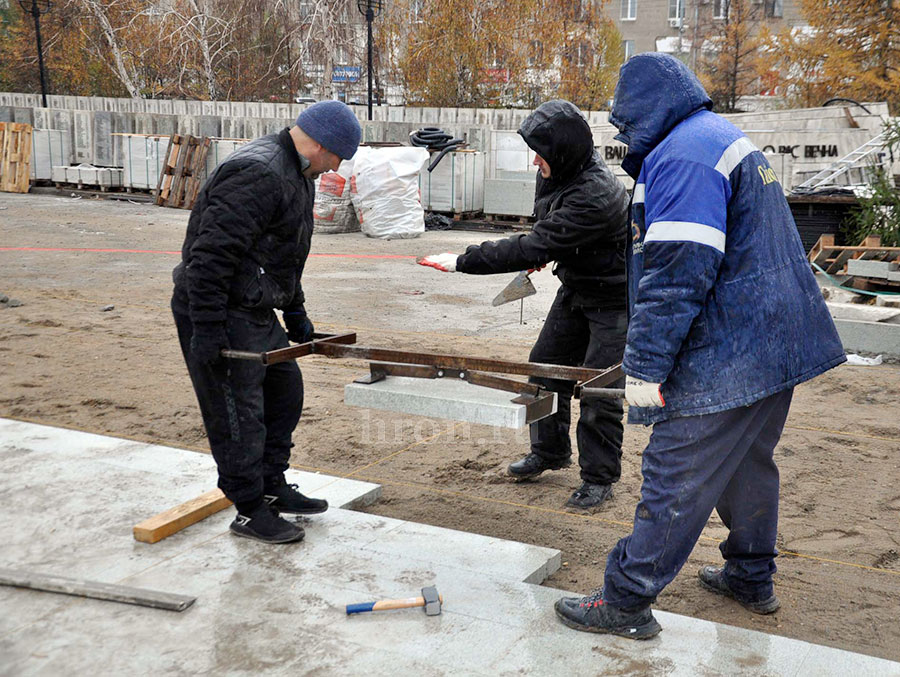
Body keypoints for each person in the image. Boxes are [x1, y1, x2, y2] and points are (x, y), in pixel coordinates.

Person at [553, 53, 846, 639]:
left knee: (674, 471)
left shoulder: (683, 155)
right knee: (745, 465)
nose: (619, 131)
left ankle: (626, 600)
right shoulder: (715, 136)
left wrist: (644, 367)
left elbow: (678, 271)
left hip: (732, 347)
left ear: (647, 108)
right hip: (776, 340)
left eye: (624, 119)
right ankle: (750, 576)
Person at [419, 99, 629, 510]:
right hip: (578, 286)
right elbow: (546, 231)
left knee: (599, 390)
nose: (535, 161)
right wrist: (551, 251)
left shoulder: (595, 195)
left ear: (562, 153)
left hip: (613, 298)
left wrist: (464, 260)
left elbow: (535, 242)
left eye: (541, 153)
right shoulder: (560, 172)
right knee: (544, 371)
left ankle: (599, 479)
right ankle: (551, 452)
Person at [171, 101, 361, 544]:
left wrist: (294, 308)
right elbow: (210, 258)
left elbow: (284, 255)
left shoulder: (298, 174)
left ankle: (272, 486)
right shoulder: (257, 173)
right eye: (336, 156)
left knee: (283, 390)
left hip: (252, 306)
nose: (337, 166)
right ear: (317, 143)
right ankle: (249, 508)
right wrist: (208, 330)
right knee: (238, 410)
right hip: (217, 305)